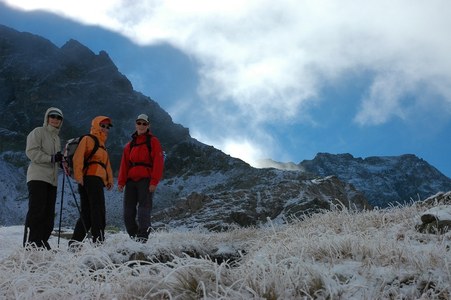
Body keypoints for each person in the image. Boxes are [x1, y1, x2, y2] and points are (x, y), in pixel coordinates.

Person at [117, 114, 164, 242]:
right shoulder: (129, 145)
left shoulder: (153, 141)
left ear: (148, 125)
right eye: (139, 123)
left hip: (145, 180)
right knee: (128, 212)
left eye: (144, 123)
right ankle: (134, 236)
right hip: (131, 181)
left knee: (144, 209)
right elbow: (124, 164)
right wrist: (121, 182)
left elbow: (158, 162)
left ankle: (143, 238)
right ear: (135, 124)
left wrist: (154, 181)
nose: (141, 126)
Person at [69, 116, 114, 246]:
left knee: (87, 213)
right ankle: (98, 242)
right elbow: (78, 157)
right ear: (95, 125)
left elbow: (107, 165)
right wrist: (79, 177)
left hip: (93, 180)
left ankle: (74, 243)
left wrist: (109, 180)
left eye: (107, 127)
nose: (106, 129)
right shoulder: (88, 139)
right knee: (98, 210)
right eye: (103, 125)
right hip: (90, 178)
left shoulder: (102, 145)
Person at [23, 107, 64, 250]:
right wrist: (51, 158)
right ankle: (32, 243)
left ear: (61, 121)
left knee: (48, 212)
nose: (55, 119)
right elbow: (32, 152)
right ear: (47, 118)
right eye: (52, 116)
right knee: (37, 210)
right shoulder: (38, 132)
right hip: (38, 177)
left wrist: (61, 162)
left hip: (51, 180)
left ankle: (42, 241)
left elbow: (54, 159)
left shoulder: (56, 138)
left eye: (58, 117)